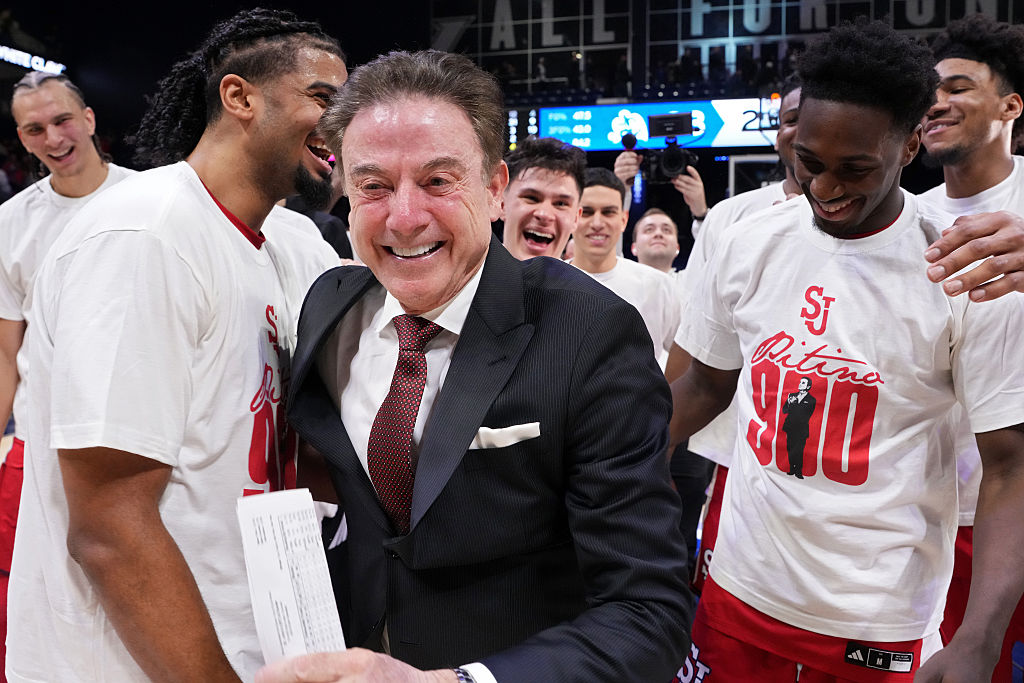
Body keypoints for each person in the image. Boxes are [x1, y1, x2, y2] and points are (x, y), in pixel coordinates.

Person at [270, 49, 692, 683]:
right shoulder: (330, 305)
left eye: (438, 181)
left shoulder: (590, 332)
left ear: (494, 189)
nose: (404, 217)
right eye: (374, 186)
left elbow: (647, 612)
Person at [669, 19, 1024, 681]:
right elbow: (703, 386)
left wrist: (979, 636)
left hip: (878, 620)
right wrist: (607, 465)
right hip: (738, 588)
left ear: (910, 144)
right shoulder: (747, 239)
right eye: (809, 162)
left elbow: (1009, 465)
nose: (826, 189)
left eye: (856, 169)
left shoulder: (965, 266)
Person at [7, 9, 346, 682]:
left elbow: (280, 454)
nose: (343, 122)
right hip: (125, 665)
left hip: (247, 635)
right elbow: (110, 525)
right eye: (322, 98)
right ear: (239, 96)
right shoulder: (141, 236)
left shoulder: (287, 243)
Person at [0, 70, 135, 681]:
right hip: (38, 446)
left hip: (133, 444)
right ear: (21, 139)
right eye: (35, 129)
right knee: (24, 602)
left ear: (89, 119)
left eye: (61, 121)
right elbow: (7, 351)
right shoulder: (13, 222)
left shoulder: (152, 197)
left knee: (126, 601)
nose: (53, 138)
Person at [665, 75, 802, 595]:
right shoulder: (735, 219)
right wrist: (656, 447)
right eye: (790, 120)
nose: (802, 132)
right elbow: (694, 340)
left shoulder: (915, 229)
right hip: (736, 453)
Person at [918, 14, 1024, 681]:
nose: (936, 102)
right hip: (947, 515)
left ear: (1011, 106)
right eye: (929, 92)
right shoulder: (910, 218)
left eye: (958, 87)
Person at [571, 167, 680, 367]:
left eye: (608, 212)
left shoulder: (659, 286)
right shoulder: (546, 283)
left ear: (623, 220)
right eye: (587, 212)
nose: (597, 223)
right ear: (573, 217)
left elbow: (686, 358)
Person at [499, 136, 585, 261]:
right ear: (501, 203)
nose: (544, 214)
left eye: (561, 204)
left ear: (576, 218)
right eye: (531, 198)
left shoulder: (583, 276)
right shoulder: (469, 272)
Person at [780, 376, 815, 478]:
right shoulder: (792, 396)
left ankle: (798, 471)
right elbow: (784, 411)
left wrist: (794, 403)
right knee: (790, 448)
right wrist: (789, 403)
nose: (800, 384)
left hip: (801, 430)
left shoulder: (811, 400)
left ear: (808, 386)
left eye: (803, 383)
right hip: (790, 428)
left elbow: (805, 414)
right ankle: (792, 469)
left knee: (799, 450)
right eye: (800, 382)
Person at [630, 208, 680, 274]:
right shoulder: (620, 279)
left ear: (677, 247)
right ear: (634, 248)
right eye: (649, 230)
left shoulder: (690, 279)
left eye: (666, 230)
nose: (658, 233)